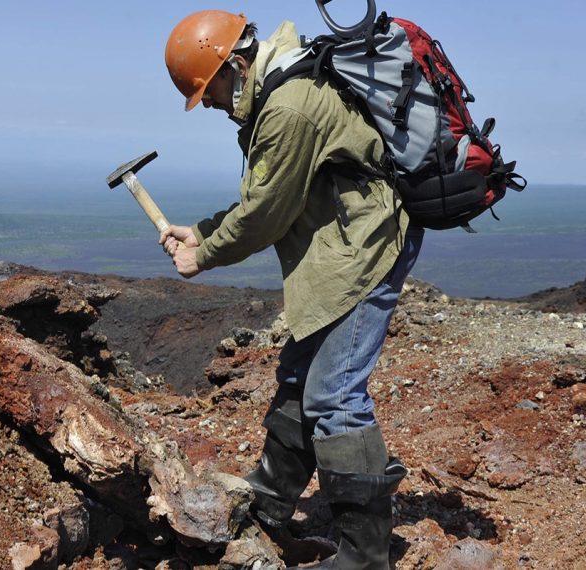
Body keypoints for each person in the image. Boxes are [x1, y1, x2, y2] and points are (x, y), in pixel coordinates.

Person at [158, 10, 424, 570]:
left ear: (234, 63)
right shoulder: (281, 90)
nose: (206, 104)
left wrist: (201, 255)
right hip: (337, 247)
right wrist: (202, 230)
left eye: (207, 91)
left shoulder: (289, 107)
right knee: (300, 375)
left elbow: (265, 215)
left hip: (365, 250)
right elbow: (276, 193)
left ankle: (366, 554)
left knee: (335, 395)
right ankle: (271, 501)